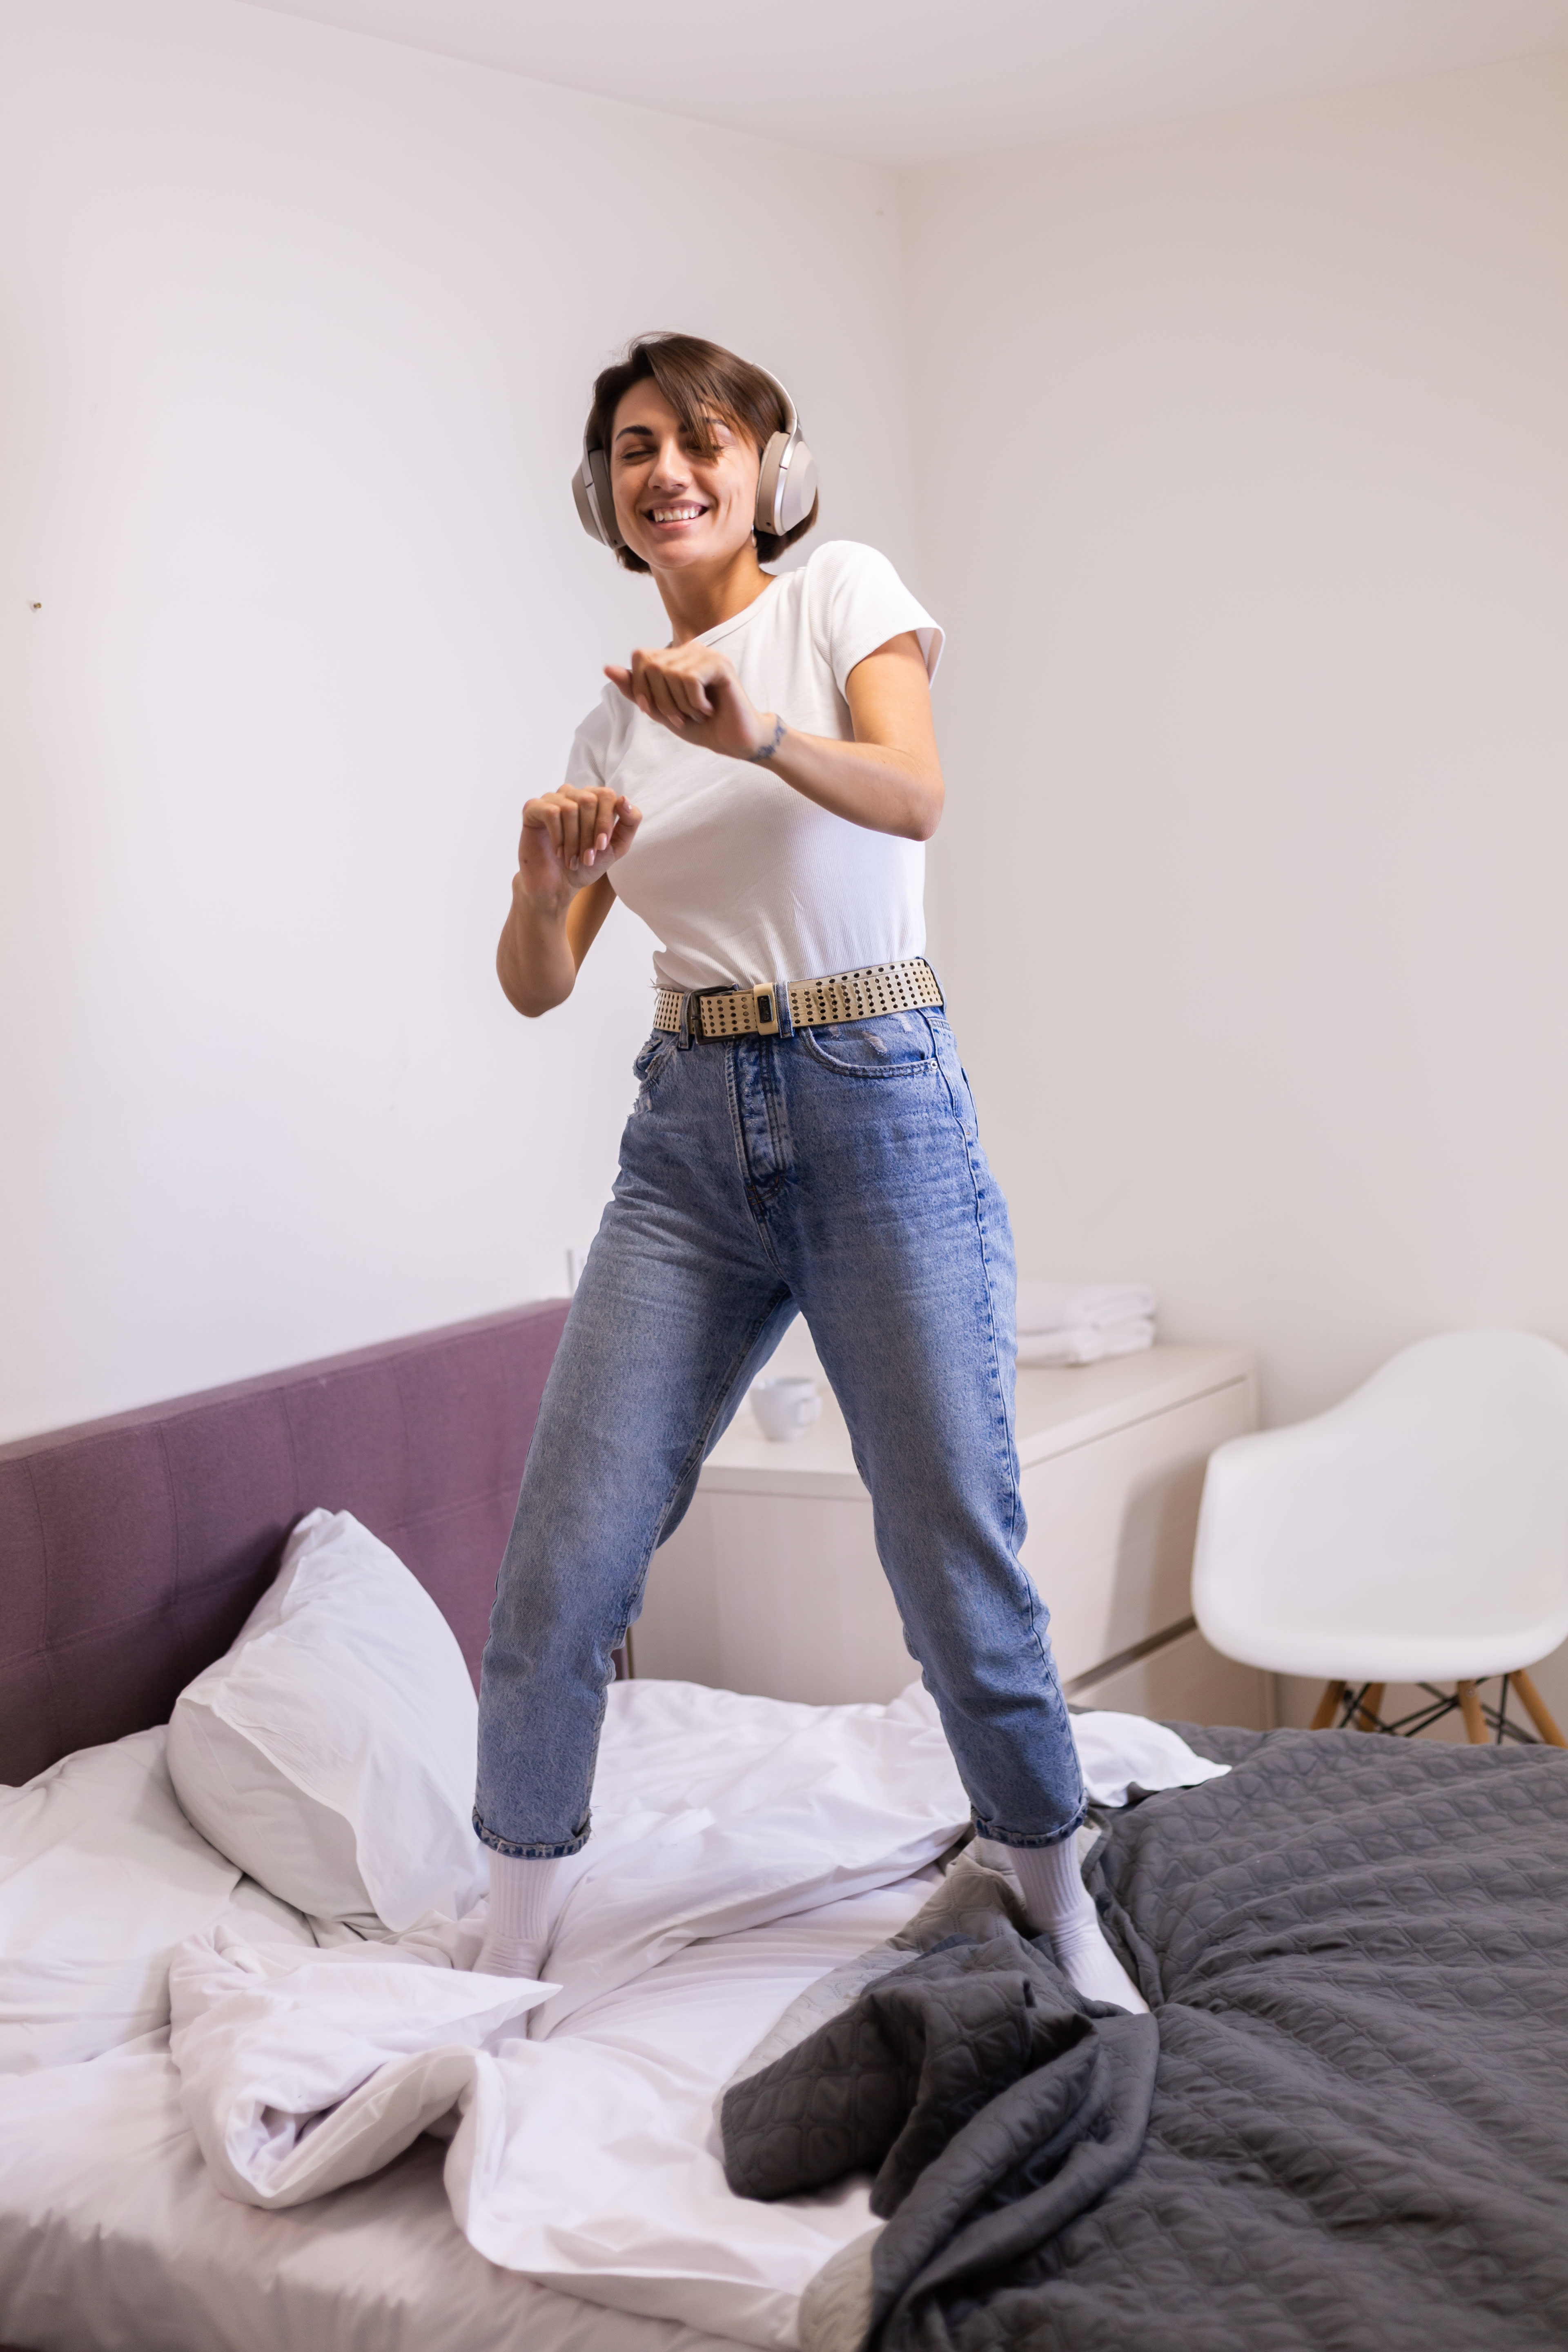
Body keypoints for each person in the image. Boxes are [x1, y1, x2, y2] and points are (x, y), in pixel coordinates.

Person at [473, 333, 1144, 2013]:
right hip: (684, 1139)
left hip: (875, 1094)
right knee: (565, 1560)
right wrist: (536, 878)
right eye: (634, 447)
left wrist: (759, 732)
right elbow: (541, 983)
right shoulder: (607, 723)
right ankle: (504, 1948)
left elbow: (913, 796)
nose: (668, 470)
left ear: (769, 462)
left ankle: (1056, 1892)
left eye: (703, 438)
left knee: (947, 1547)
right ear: (602, 493)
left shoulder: (842, 591)